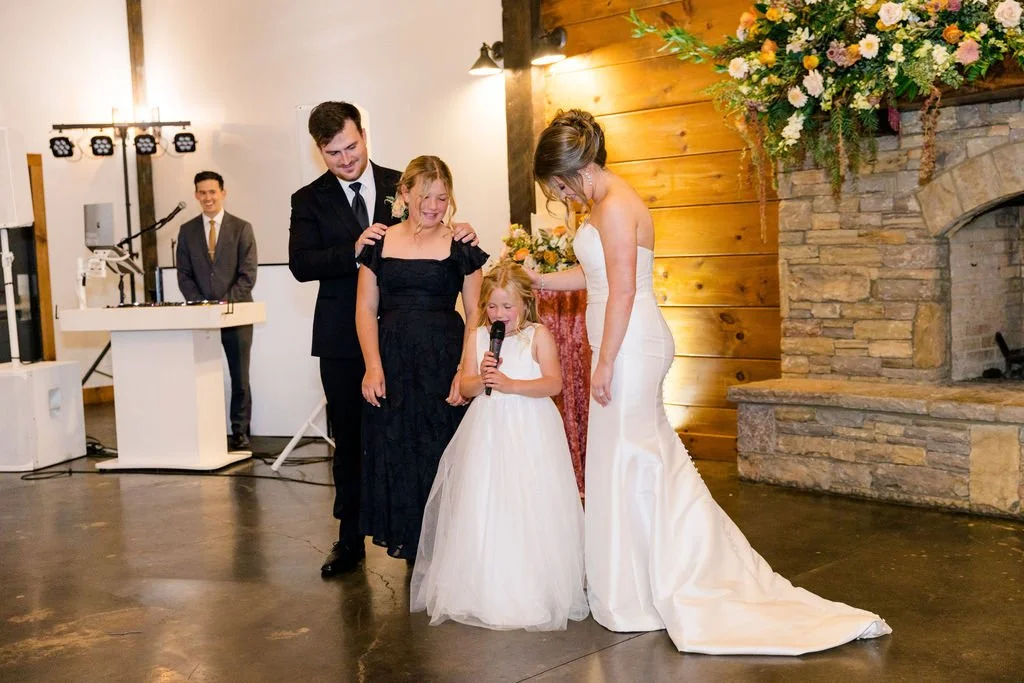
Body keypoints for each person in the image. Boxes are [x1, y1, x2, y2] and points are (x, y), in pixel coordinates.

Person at [530, 109, 891, 655]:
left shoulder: (617, 205)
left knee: (632, 460)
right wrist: (542, 279)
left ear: (570, 171)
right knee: (629, 461)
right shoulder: (606, 204)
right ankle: (635, 585)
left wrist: (603, 361)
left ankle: (661, 585)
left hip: (628, 344)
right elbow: (597, 274)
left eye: (556, 188)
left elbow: (623, 291)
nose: (560, 197)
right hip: (622, 342)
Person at [289, 102, 478, 577]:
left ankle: (427, 534)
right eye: (334, 153)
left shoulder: (406, 182)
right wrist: (351, 250)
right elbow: (301, 264)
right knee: (351, 442)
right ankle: (349, 539)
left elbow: (437, 223)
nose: (346, 158)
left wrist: (459, 228)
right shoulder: (307, 200)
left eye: (351, 146)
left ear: (364, 136)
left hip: (417, 341)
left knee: (419, 437)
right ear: (320, 152)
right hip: (343, 339)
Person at [410, 262, 588, 631]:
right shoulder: (478, 335)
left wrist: (511, 384)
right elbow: (469, 386)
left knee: (527, 501)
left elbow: (553, 384)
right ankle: (483, 585)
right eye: (492, 307)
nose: (499, 315)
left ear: (525, 303)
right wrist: (483, 377)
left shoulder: (538, 335)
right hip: (488, 427)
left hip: (531, 428)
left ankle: (533, 586)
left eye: (507, 307)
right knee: (486, 499)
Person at [355, 155, 487, 564]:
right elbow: (364, 308)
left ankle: (448, 548)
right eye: (425, 196)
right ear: (405, 194)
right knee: (398, 450)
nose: (434, 205)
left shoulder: (462, 246)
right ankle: (412, 544)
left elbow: (475, 315)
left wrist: (465, 370)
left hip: (441, 360)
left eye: (443, 198)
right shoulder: (378, 242)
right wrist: (372, 366)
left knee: (440, 449)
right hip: (392, 362)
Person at [177, 170, 257, 452]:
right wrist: (202, 305)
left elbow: (248, 275)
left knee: (240, 377)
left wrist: (224, 304)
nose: (208, 197)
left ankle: (240, 432)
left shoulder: (241, 228)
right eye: (202, 192)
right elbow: (184, 275)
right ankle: (206, 429)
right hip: (201, 317)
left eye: (212, 192)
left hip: (237, 315)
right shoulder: (187, 231)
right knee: (203, 375)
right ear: (196, 195)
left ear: (223, 192)